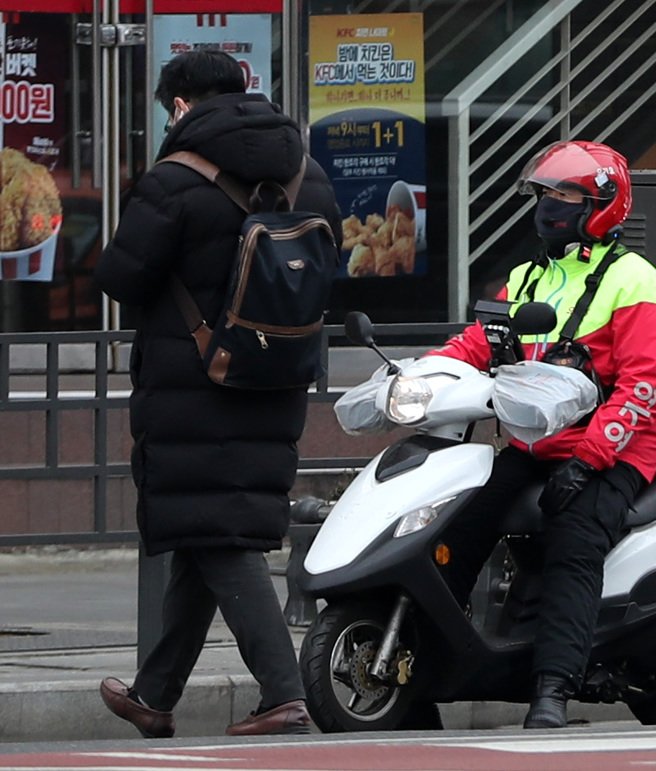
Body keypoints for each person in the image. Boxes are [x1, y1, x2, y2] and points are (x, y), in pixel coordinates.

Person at [94, 50, 342, 739]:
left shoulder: (173, 179)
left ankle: (285, 693)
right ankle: (154, 694)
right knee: (209, 527)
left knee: (220, 536)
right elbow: (333, 263)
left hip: (195, 381)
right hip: (279, 375)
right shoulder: (308, 174)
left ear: (180, 105)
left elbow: (121, 276)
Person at [426, 140, 656, 729]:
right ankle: (428, 662)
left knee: (574, 543)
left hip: (611, 451)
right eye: (544, 194)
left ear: (600, 206)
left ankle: (553, 690)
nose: (549, 206)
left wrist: (590, 459)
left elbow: (644, 386)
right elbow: (483, 341)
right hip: (532, 442)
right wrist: (424, 372)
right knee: (457, 522)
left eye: (565, 195)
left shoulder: (637, 282)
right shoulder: (529, 275)